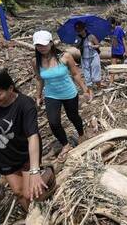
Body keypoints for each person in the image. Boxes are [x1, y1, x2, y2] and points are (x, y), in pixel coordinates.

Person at [0, 69, 54, 211]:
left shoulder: (25, 104)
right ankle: (29, 216)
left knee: (30, 193)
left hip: (26, 154)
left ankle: (47, 173)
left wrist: (35, 171)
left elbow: (33, 136)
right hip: (4, 155)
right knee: (18, 192)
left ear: (10, 88)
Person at [32, 30, 92, 162]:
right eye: (38, 45)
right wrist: (38, 96)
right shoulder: (36, 61)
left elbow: (75, 74)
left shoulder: (65, 56)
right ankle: (66, 144)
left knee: (73, 116)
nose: (41, 48)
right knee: (53, 122)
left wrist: (85, 89)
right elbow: (39, 79)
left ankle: (81, 134)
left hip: (69, 93)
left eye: (44, 44)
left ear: (51, 43)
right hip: (52, 95)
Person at [74, 21, 102, 88]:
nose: (80, 31)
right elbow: (76, 45)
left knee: (96, 70)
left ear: (84, 28)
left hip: (93, 56)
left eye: (81, 30)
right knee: (86, 74)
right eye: (78, 30)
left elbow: (98, 45)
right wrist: (78, 45)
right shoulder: (78, 38)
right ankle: (90, 89)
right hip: (84, 57)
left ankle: (99, 86)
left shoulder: (91, 36)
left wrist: (93, 46)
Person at [107, 17, 127, 83]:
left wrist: (126, 51)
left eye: (111, 24)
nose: (110, 26)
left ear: (114, 24)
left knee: (126, 66)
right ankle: (111, 81)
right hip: (114, 51)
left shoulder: (119, 29)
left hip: (121, 50)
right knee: (113, 67)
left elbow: (123, 40)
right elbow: (111, 41)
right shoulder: (108, 31)